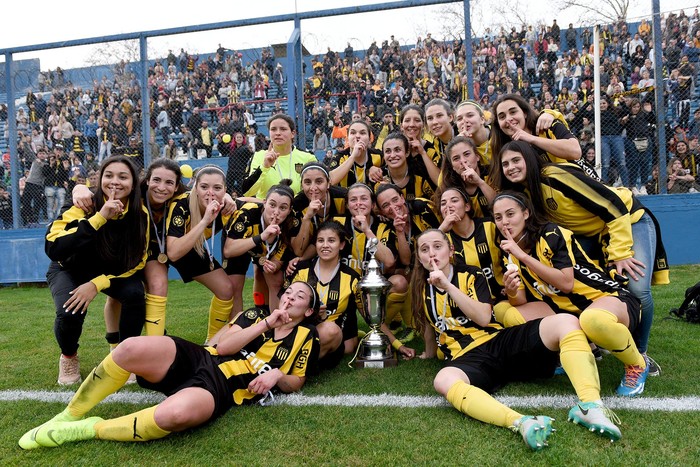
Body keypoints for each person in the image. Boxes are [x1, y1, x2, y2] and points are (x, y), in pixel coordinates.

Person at [18, 282, 321, 450]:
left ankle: (89, 429)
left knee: (174, 414)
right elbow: (223, 347)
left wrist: (278, 374)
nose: (291, 296)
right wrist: (268, 321)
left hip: (221, 386)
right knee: (129, 348)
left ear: (307, 310)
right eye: (289, 292)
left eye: (300, 296)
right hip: (202, 357)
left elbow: (296, 382)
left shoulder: (306, 336)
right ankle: (70, 414)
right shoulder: (255, 316)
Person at [410, 229, 622, 450]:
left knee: (565, 322)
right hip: (468, 360)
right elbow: (430, 326)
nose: (431, 254)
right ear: (419, 257)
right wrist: (428, 354)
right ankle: (522, 422)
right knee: (442, 380)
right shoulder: (421, 288)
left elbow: (483, 317)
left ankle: (590, 405)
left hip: (497, 342)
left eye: (437, 246)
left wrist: (448, 286)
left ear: (450, 250)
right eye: (424, 250)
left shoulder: (471, 275)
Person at [492, 140, 669, 377]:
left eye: (516, 160)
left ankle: (640, 354)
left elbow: (613, 205)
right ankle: (589, 345)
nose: (511, 167)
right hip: (592, 232)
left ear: (530, 159)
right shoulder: (523, 195)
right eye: (505, 164)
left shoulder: (555, 176)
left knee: (637, 287)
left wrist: (621, 253)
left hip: (626, 218)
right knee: (572, 291)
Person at [492, 191, 650, 396]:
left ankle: (637, 363)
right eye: (498, 217)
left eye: (510, 214)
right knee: (506, 310)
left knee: (593, 319)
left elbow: (566, 283)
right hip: (570, 314)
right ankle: (584, 347)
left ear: (526, 213)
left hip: (609, 300)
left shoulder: (551, 233)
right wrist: (512, 290)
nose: (504, 222)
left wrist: (522, 256)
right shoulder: (510, 251)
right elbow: (519, 300)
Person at [45, 155, 149, 385]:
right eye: (109, 176)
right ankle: (69, 356)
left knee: (134, 295)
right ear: (99, 179)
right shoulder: (83, 203)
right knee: (69, 311)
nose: (115, 182)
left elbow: (138, 262)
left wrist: (96, 284)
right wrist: (99, 217)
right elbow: (54, 247)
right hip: (69, 268)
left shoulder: (140, 212)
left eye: (123, 177)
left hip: (108, 272)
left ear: (133, 183)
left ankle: (124, 355)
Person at [72, 159, 188, 340]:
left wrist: (227, 197)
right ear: (147, 180)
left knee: (157, 285)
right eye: (156, 180)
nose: (161, 187)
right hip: (126, 250)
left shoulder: (182, 196)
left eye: (169, 183)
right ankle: (115, 348)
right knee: (117, 296)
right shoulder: (134, 192)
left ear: (176, 186)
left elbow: (206, 191)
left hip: (154, 251)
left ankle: (154, 342)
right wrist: (79, 189)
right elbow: (97, 191)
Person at [166, 165, 235, 342]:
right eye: (204, 187)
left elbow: (254, 202)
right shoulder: (181, 205)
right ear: (195, 188)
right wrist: (205, 221)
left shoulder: (226, 205)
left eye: (217, 188)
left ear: (225, 190)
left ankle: (212, 342)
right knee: (142, 293)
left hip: (190, 246)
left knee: (226, 289)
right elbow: (173, 252)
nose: (210, 193)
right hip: (161, 246)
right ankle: (125, 347)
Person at [223, 183, 296, 318]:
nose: (276, 212)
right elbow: (229, 250)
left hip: (263, 248)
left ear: (290, 210)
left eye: (283, 208)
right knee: (235, 286)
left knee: (275, 280)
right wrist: (261, 237)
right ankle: (235, 331)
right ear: (264, 203)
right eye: (272, 205)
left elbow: (280, 256)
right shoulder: (247, 214)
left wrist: (275, 264)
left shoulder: (292, 223)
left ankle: (274, 326)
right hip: (239, 241)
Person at [437, 187, 504, 302]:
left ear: (467, 207)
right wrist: (442, 229)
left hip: (503, 295)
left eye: (454, 200)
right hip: (471, 304)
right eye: (443, 203)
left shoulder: (489, 226)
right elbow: (426, 260)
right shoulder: (443, 240)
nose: (448, 205)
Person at [241, 114, 317, 198]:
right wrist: (264, 167)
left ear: (293, 133)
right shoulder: (259, 156)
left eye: (283, 129)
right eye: (273, 129)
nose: (277, 133)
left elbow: (315, 190)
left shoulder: (307, 157)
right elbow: (247, 192)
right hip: (266, 209)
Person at [440, 135, 495, 218]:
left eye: (467, 154)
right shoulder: (450, 186)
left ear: (477, 157)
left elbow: (501, 205)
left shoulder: (493, 173)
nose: (463, 161)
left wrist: (480, 182)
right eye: (456, 158)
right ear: (453, 167)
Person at [374, 132, 436, 201]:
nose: (393, 155)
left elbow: (436, 202)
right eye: (388, 151)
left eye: (397, 150)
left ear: (407, 153)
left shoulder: (421, 173)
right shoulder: (378, 176)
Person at [328, 120, 383, 187]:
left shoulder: (378, 155)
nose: (357, 136)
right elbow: (330, 181)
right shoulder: (339, 157)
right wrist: (353, 156)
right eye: (353, 133)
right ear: (347, 138)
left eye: (362, 133)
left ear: (369, 139)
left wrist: (378, 170)